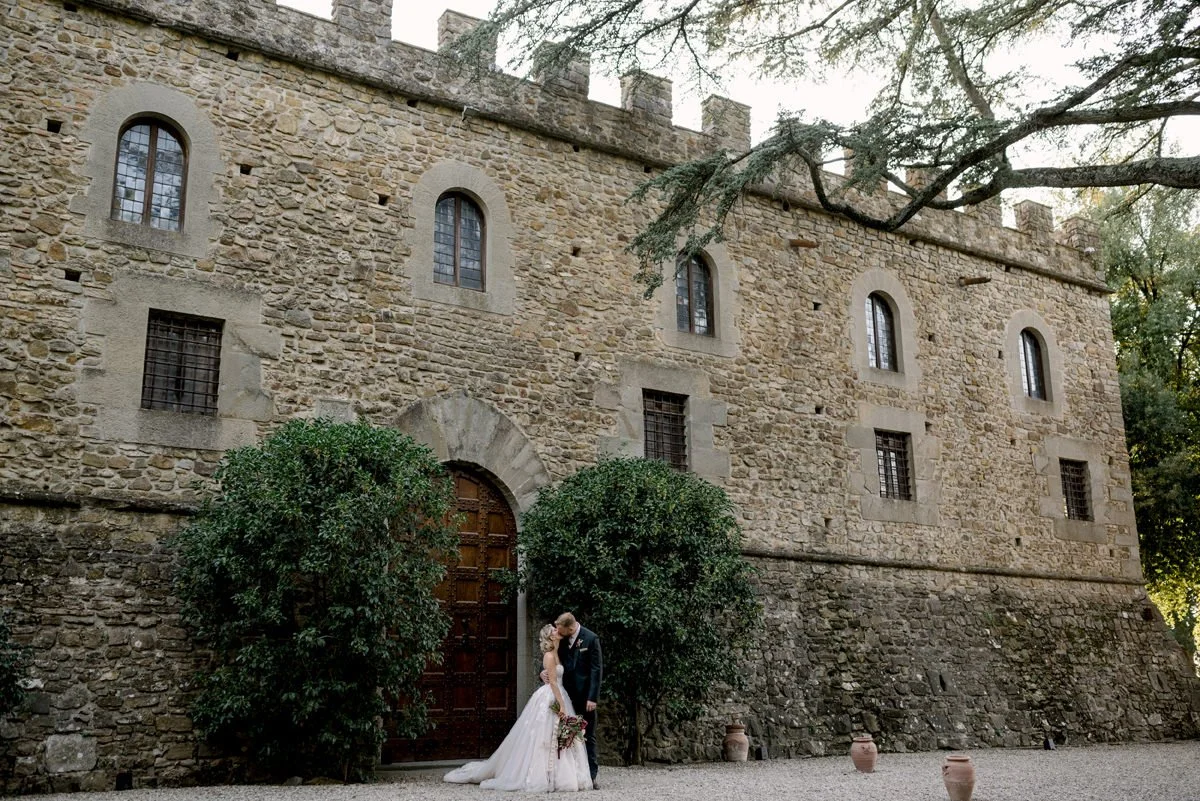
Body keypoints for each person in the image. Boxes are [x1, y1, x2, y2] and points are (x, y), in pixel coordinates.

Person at [443, 624, 592, 792]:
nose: (558, 630)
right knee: (543, 737)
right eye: (554, 630)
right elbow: (552, 682)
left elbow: (554, 675)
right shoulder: (549, 656)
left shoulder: (560, 650)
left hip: (560, 693)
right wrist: (562, 706)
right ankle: (543, 775)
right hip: (552, 696)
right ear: (551, 637)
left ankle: (560, 774)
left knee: (560, 736)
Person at [550, 613, 602, 790]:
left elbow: (596, 670)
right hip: (566, 696)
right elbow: (557, 664)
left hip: (585, 697)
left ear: (569, 627)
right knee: (567, 735)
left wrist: (592, 697)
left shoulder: (590, 638)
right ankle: (573, 775)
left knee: (588, 735)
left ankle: (592, 775)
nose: (557, 631)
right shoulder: (562, 639)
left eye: (560, 628)